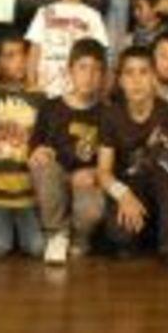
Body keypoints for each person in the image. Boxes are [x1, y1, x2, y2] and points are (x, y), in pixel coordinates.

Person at [97, 45, 168, 273]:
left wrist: (160, 147)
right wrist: (123, 194)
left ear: (153, 78)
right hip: (130, 186)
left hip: (164, 187)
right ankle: (144, 236)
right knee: (120, 236)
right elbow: (103, 171)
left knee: (164, 170)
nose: (136, 81)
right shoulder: (111, 115)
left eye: (143, 72)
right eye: (129, 73)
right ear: (120, 81)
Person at [29, 39, 108, 264]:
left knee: (92, 207)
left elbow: (113, 159)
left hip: (86, 182)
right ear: (70, 71)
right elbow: (35, 144)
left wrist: (94, 172)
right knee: (43, 166)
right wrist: (37, 153)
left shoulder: (107, 113)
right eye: (82, 67)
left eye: (96, 70)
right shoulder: (50, 107)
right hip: (56, 179)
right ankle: (56, 234)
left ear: (103, 76)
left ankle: (80, 237)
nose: (88, 76)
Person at [0, 68, 46, 258]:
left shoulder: (41, 98)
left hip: (26, 197)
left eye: (19, 57)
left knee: (37, 247)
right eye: (7, 56)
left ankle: (15, 231)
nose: (15, 64)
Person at [25, 0, 109, 98]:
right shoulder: (44, 12)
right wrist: (32, 83)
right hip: (46, 90)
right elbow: (34, 51)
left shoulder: (93, 16)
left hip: (79, 93)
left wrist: (99, 90)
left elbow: (100, 55)